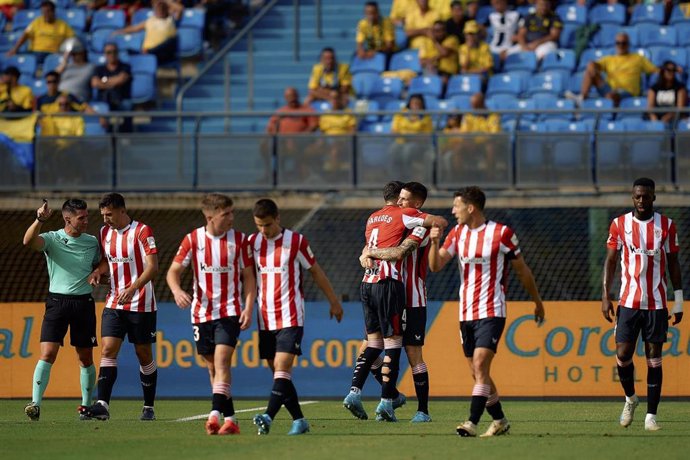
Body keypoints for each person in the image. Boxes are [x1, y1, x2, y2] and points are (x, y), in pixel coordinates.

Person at [428, 186, 545, 437]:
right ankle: (500, 420)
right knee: (477, 372)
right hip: (465, 313)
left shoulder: (502, 233)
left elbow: (522, 270)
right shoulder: (458, 234)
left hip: (493, 309)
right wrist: (435, 241)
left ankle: (471, 422)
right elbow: (436, 265)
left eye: (456, 206)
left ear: (470, 208)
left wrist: (537, 301)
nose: (452, 211)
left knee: (480, 364)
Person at [343, 181, 447, 422]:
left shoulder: (419, 226)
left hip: (412, 296)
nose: (399, 203)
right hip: (389, 290)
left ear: (417, 204)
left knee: (412, 353)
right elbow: (376, 242)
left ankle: (422, 410)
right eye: (398, 198)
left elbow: (399, 251)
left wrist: (370, 253)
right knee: (370, 347)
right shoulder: (399, 220)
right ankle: (390, 397)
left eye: (404, 199)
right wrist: (364, 253)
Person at [249, 198, 344, 436]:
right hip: (264, 318)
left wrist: (333, 301)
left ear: (278, 218)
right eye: (259, 225)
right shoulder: (251, 243)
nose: (264, 230)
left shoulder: (296, 241)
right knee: (279, 375)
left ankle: (267, 418)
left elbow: (316, 271)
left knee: (282, 368)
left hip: (291, 316)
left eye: (268, 225)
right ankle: (299, 420)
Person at [166, 193, 257, 435]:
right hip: (201, 313)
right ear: (210, 216)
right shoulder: (193, 240)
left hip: (230, 311)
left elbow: (249, 278)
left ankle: (214, 415)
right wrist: (176, 291)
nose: (231, 218)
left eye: (232, 212)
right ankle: (231, 419)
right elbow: (173, 272)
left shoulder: (240, 240)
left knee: (222, 361)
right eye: (226, 214)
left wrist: (249, 307)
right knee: (212, 369)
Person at [601, 177, 683, 431]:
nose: (642, 200)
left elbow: (673, 264)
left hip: (656, 304)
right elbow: (611, 260)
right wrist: (605, 295)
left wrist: (678, 300)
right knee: (623, 355)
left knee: (654, 358)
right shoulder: (619, 224)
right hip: (628, 302)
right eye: (638, 196)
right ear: (632, 197)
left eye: (646, 196)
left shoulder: (666, 226)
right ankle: (630, 399)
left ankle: (651, 416)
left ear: (653, 197)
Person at [83, 193, 160, 421]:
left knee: (143, 353)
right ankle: (102, 405)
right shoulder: (104, 233)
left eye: (109, 214)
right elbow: (107, 260)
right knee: (107, 350)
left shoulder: (142, 231)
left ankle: (148, 406)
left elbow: (153, 267)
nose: (106, 219)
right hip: (114, 301)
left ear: (122, 211)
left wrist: (134, 287)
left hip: (141, 303)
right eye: (103, 215)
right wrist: (98, 271)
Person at [22, 199, 100, 421]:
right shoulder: (52, 238)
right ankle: (35, 404)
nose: (86, 221)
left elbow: (98, 267)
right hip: (57, 303)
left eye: (86, 216)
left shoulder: (92, 242)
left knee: (85, 357)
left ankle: (86, 407)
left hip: (83, 304)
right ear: (68, 219)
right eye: (81, 218)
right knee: (48, 353)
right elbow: (28, 241)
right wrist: (39, 220)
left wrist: (101, 277)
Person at [576, 32, 657, 107]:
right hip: (610, 90)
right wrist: (592, 64)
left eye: (623, 43)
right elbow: (595, 65)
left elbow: (655, 70)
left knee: (613, 95)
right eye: (618, 43)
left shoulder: (638, 58)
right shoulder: (609, 59)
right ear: (615, 44)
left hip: (628, 92)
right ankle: (581, 100)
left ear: (628, 44)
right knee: (589, 70)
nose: (621, 46)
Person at [113, 0, 183, 65]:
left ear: (166, 9)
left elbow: (179, 9)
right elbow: (134, 28)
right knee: (128, 50)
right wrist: (118, 32)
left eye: (162, 7)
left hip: (164, 53)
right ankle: (145, 53)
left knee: (173, 39)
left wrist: (165, 1)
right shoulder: (149, 21)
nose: (160, 9)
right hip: (148, 53)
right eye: (158, 7)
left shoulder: (171, 19)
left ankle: (145, 53)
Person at [5, 1, 75, 63]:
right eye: (43, 12)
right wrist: (15, 49)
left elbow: (72, 39)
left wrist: (66, 51)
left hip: (53, 53)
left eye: (48, 12)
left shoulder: (63, 25)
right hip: (36, 52)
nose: (45, 15)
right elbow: (25, 35)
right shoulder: (36, 22)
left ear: (53, 12)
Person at [390, 94, 434, 175]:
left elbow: (426, 137)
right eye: (413, 103)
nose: (415, 106)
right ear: (409, 104)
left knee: (408, 150)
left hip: (419, 145)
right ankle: (394, 177)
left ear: (422, 105)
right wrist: (407, 137)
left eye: (418, 103)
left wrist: (409, 137)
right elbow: (394, 131)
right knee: (393, 149)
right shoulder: (401, 113)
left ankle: (407, 176)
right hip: (400, 143)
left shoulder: (426, 117)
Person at [91, 42, 132, 113]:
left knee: (127, 105)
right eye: (109, 52)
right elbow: (95, 83)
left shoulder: (125, 67)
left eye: (114, 52)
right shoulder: (99, 69)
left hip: (121, 99)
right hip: (103, 100)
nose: (112, 55)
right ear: (105, 54)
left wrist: (103, 81)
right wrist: (113, 82)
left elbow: (121, 80)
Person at [419, 20, 459, 87]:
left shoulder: (452, 39)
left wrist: (434, 40)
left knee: (442, 80)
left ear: (445, 31)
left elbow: (444, 52)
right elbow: (422, 62)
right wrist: (431, 62)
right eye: (436, 31)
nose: (439, 33)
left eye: (441, 30)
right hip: (434, 71)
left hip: (449, 74)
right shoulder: (427, 42)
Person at [647, 60, 687, 125]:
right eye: (668, 70)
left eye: (673, 70)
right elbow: (650, 107)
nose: (671, 72)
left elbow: (680, 108)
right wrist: (654, 119)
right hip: (657, 116)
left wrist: (669, 116)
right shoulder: (654, 88)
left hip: (674, 117)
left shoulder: (680, 88)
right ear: (663, 71)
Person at [55, 38, 96, 103]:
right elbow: (54, 76)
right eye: (72, 54)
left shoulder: (90, 67)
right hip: (61, 99)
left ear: (82, 53)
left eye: (76, 53)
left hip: (77, 100)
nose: (73, 56)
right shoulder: (66, 66)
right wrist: (64, 61)